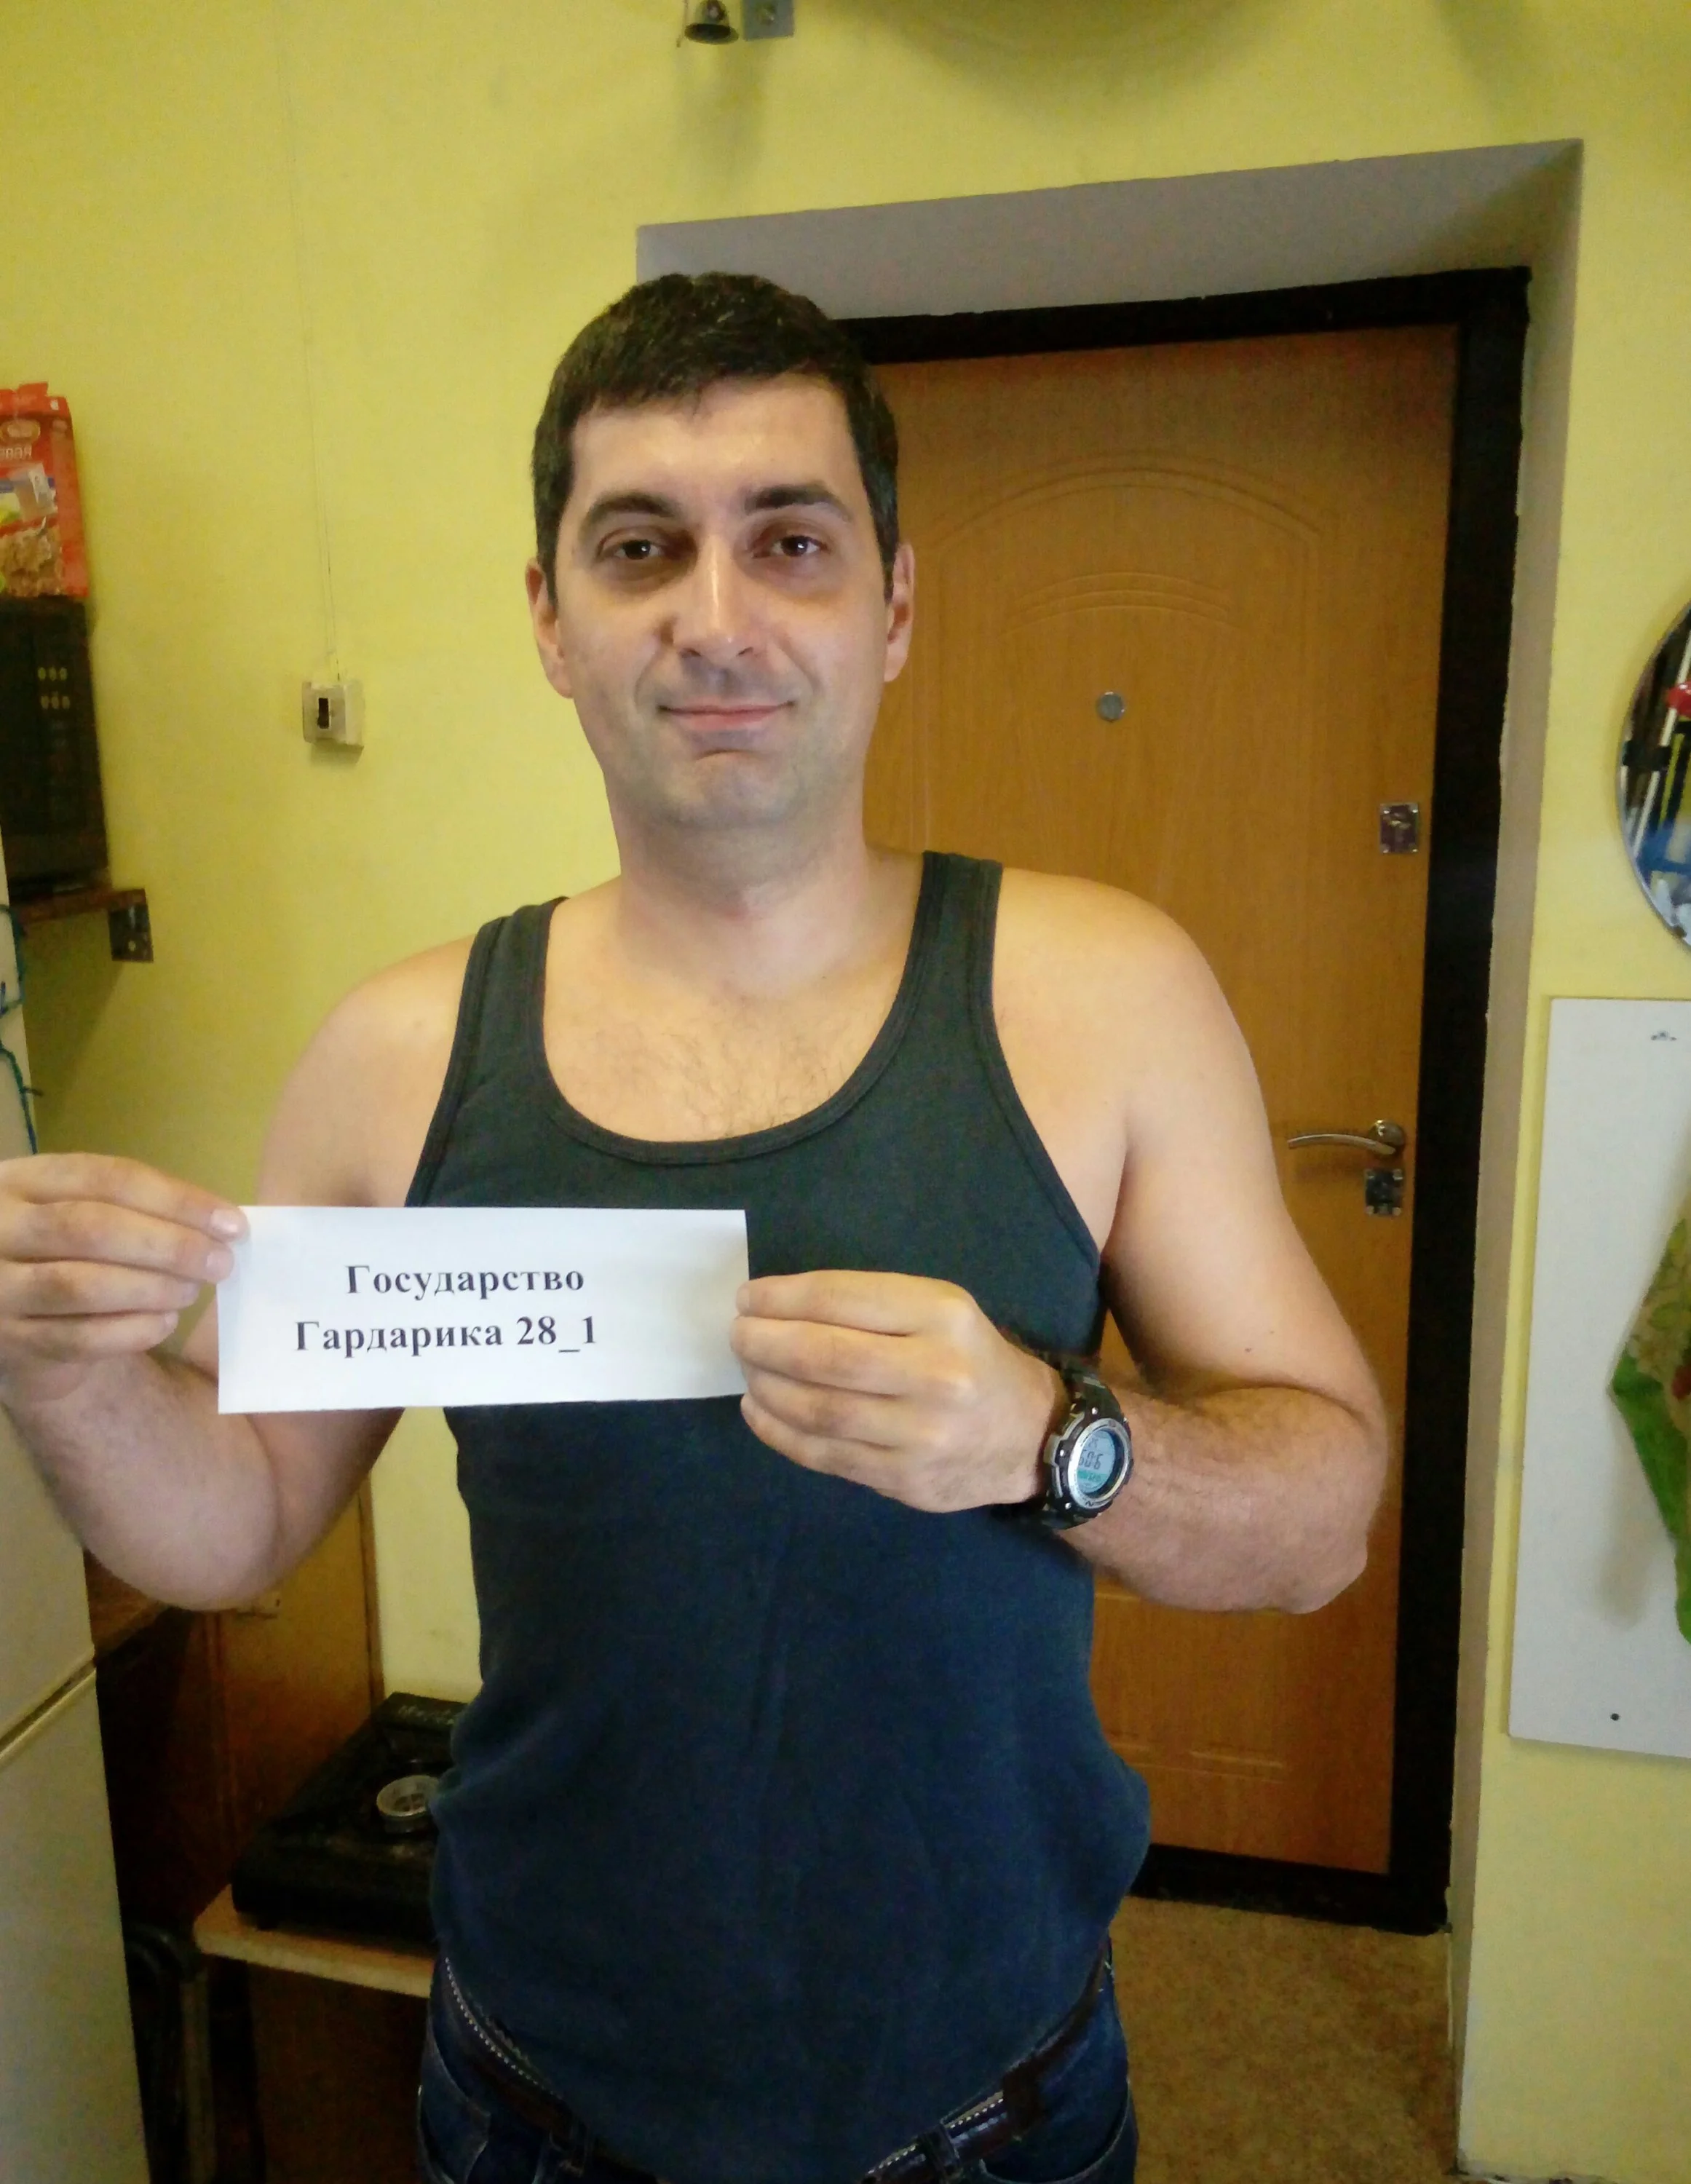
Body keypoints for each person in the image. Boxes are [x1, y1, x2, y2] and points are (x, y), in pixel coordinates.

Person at [0, 274, 1385, 2184]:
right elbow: (234, 1520)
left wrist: (1046, 1434)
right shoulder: (399, 1057)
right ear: (550, 619)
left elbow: (1322, 1516)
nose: (716, 616)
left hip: (999, 2095)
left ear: (894, 605)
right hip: (542, 2097)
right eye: (640, 546)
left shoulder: (1107, 996)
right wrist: (62, 1372)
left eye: (790, 542)